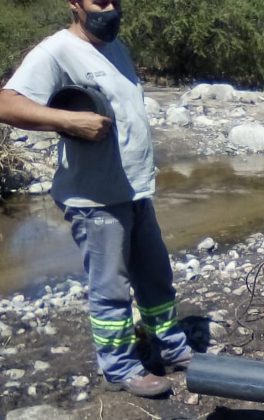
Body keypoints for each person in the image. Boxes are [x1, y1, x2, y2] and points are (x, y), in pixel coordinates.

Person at [0, 0, 192, 397]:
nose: (110, 8)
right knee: (111, 288)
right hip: (94, 197)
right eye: (99, 0)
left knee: (156, 277)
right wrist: (68, 120)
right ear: (74, 3)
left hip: (134, 189)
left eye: (116, 0)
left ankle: (171, 348)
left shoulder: (116, 46)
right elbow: (7, 102)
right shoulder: (56, 51)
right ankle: (120, 367)